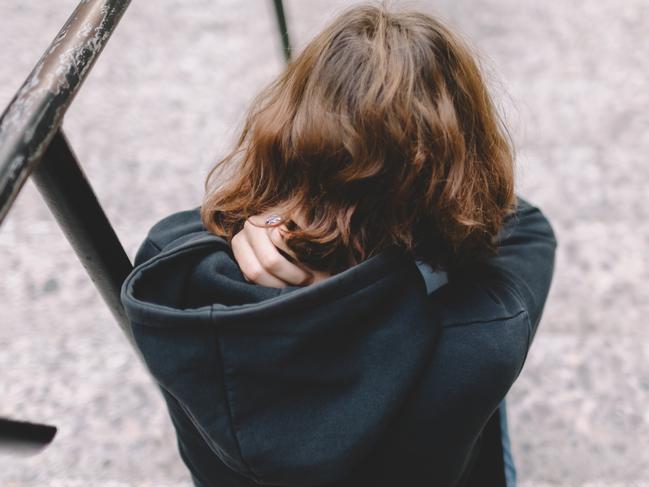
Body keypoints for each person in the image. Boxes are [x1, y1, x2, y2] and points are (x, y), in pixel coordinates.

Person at [120, 4, 557, 486]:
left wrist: (266, 221)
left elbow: (179, 230)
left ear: (287, 132)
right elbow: (525, 225)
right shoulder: (480, 338)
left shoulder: (174, 281)